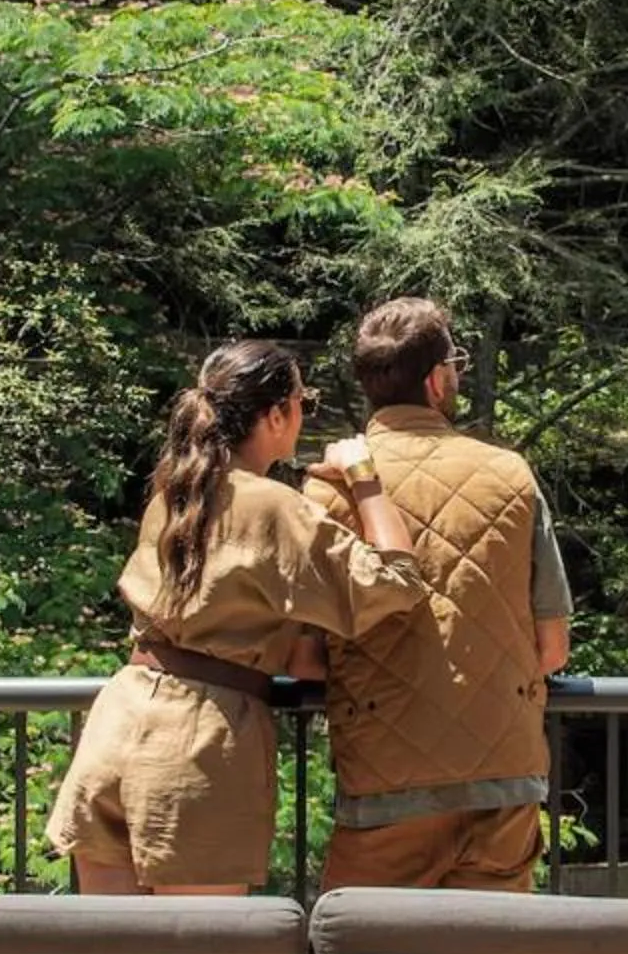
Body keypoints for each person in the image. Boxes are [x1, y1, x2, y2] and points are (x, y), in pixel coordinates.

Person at [45, 338, 427, 893]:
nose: (304, 415)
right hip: (199, 744)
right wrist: (365, 479)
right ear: (276, 415)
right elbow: (398, 580)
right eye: (306, 403)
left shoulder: (174, 493)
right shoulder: (272, 505)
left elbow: (243, 632)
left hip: (119, 721)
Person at [300, 297, 572, 891]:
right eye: (456, 361)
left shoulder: (327, 491)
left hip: (385, 776)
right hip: (504, 776)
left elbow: (304, 652)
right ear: (436, 379)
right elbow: (552, 649)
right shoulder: (511, 476)